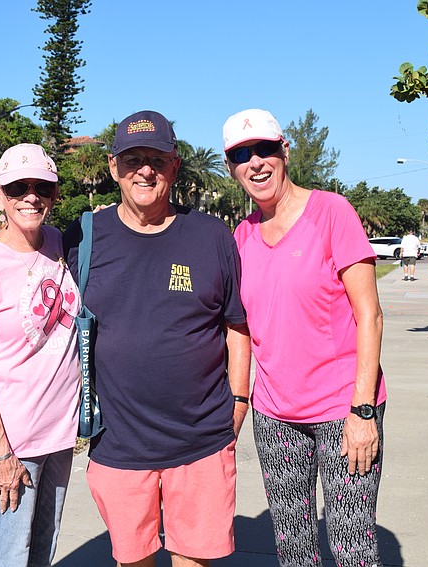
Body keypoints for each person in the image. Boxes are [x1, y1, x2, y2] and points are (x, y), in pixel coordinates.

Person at [63, 110, 251, 567]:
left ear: (175, 165)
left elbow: (236, 327)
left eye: (156, 159)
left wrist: (239, 403)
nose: (144, 170)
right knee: (134, 561)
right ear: (113, 168)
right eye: (132, 159)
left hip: (201, 441)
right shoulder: (84, 238)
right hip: (119, 443)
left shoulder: (211, 236)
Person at [223, 108, 386, 567]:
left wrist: (363, 409)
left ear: (285, 151)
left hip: (342, 410)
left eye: (265, 150)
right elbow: (237, 328)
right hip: (274, 416)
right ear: (231, 167)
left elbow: (370, 315)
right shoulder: (242, 236)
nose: (255, 163)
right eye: (240, 155)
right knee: (293, 547)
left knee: (353, 545)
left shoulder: (332, 212)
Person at [0, 143, 81, 567]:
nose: (31, 196)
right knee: (9, 557)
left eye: (42, 187)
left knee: (43, 551)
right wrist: (1, 454)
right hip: (13, 443)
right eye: (18, 187)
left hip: (61, 435)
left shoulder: (59, 243)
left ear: (54, 194)